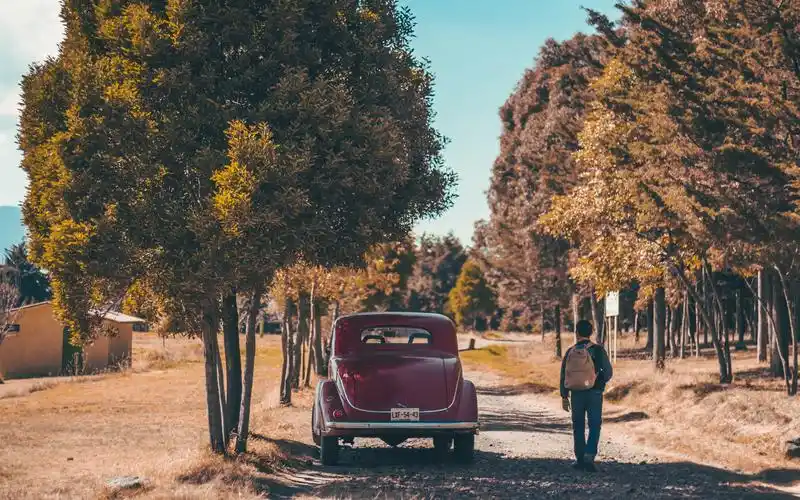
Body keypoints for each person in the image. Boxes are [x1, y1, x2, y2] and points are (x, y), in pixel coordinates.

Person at [559, 319, 613, 472]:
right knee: (595, 424)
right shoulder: (597, 350)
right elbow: (608, 372)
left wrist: (564, 395)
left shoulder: (570, 351)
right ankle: (590, 456)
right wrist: (599, 383)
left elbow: (564, 374)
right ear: (591, 333)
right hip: (594, 393)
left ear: (576, 333)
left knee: (578, 425)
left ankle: (580, 459)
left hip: (576, 394)